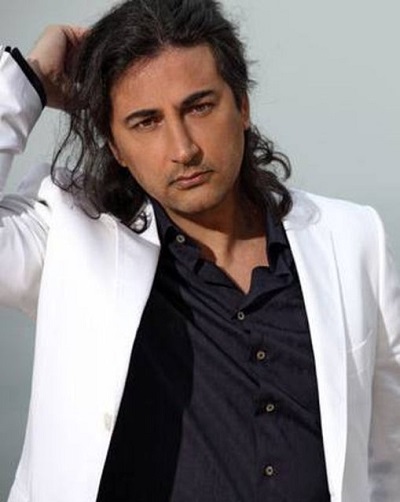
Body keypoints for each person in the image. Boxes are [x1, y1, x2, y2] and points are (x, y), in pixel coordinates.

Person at [1, 0, 399, 500]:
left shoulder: (354, 239)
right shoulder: (68, 235)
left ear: (242, 106)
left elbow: (390, 454)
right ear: (115, 146)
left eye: (199, 107)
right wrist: (28, 80)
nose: (183, 148)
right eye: (146, 121)